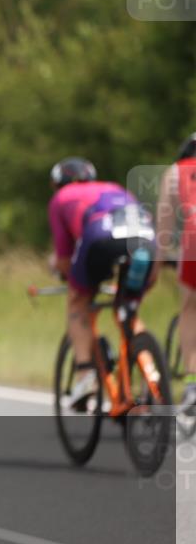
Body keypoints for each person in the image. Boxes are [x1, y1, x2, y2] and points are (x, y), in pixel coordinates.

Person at [48, 157, 157, 408]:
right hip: (146, 239)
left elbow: (64, 260)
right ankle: (151, 373)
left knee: (78, 302)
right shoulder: (116, 188)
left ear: (57, 184)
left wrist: (67, 275)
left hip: (101, 236)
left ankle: (85, 375)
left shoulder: (61, 198)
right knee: (128, 308)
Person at [155, 133, 196, 414]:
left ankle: (192, 385)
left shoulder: (176, 171)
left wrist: (155, 267)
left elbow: (164, 235)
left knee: (190, 311)